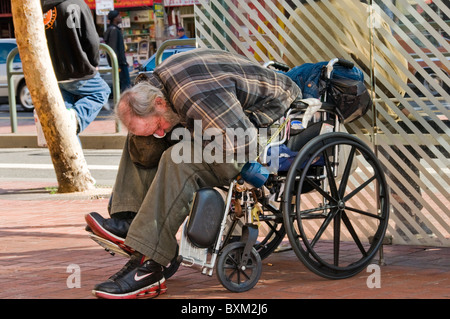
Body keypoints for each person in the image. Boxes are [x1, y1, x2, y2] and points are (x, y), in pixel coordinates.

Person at [85, 48, 302, 299]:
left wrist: (190, 143)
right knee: (143, 141)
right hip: (224, 121)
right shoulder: (157, 87)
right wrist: (158, 133)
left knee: (177, 160)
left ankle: (149, 267)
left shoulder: (196, 96)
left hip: (261, 128)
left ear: (159, 102)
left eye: (157, 126)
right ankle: (129, 220)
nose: (159, 132)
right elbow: (167, 127)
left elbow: (243, 146)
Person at [42, 0, 111, 134]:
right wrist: (94, 63)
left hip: (54, 74)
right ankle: (77, 116)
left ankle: (72, 120)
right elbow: (91, 39)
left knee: (67, 126)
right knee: (101, 92)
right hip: (79, 70)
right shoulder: (77, 4)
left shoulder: (41, 8)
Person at [104, 10, 131, 92]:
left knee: (121, 85)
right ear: (115, 18)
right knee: (125, 87)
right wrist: (117, 63)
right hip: (119, 63)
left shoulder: (113, 29)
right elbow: (113, 48)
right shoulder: (114, 30)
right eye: (119, 16)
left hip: (119, 63)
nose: (120, 17)